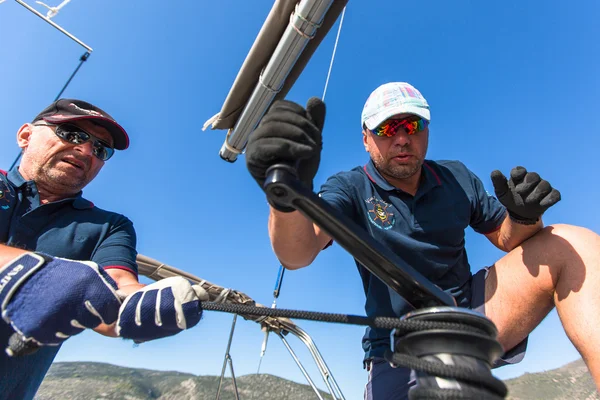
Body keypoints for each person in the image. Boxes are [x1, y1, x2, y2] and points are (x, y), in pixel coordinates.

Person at [245, 82, 600, 399]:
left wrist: (524, 217)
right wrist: (285, 196)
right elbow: (296, 253)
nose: (402, 138)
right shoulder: (350, 188)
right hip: (398, 342)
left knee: (571, 242)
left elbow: (507, 239)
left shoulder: (457, 176)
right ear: (366, 139)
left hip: (469, 315)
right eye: (386, 128)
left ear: (427, 131)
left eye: (412, 125)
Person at [0, 99, 206, 400]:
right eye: (72, 134)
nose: (86, 151)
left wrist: (147, 304)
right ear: (26, 136)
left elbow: (119, 289)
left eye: (100, 149)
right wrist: (37, 274)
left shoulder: (110, 226)